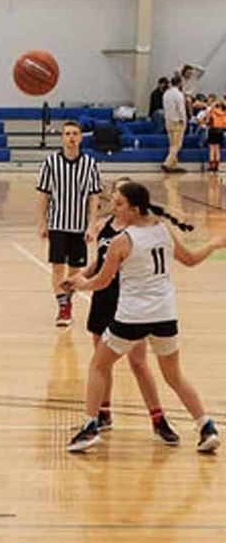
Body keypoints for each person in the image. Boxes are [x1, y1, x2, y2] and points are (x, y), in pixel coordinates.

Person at [66, 181, 223, 454]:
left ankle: (91, 426)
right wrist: (213, 243)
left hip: (132, 316)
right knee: (174, 375)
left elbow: (102, 281)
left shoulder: (122, 241)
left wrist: (79, 283)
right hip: (165, 314)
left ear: (135, 209)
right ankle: (206, 425)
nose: (115, 209)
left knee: (99, 365)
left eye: (119, 205)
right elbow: (190, 259)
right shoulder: (163, 230)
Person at [84, 179, 177, 444]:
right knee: (102, 362)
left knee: (138, 362)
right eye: (114, 195)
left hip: (129, 301)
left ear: (133, 206)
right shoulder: (105, 228)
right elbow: (98, 263)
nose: (114, 200)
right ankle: (103, 413)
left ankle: (158, 419)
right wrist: (80, 276)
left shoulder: (139, 232)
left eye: (119, 197)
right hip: (102, 297)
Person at [36, 120, 101, 327]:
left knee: (75, 271)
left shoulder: (90, 164)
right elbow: (43, 196)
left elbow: (94, 197)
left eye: (75, 133)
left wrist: (92, 225)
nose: (71, 137)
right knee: (57, 268)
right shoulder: (50, 163)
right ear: (62, 138)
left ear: (80, 137)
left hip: (79, 226)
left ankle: (68, 302)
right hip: (57, 224)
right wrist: (42, 222)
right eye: (67, 134)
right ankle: (62, 307)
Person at [162, 75, 187, 173]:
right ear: (179, 83)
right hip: (177, 121)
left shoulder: (166, 93)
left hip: (168, 121)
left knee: (172, 144)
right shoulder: (178, 94)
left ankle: (173, 165)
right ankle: (167, 163)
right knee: (177, 145)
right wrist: (183, 119)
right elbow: (181, 109)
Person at [201, 96, 226, 173]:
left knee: (212, 149)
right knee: (217, 149)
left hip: (212, 130)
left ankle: (212, 166)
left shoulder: (212, 111)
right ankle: (217, 166)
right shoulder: (224, 113)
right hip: (220, 131)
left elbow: (207, 121)